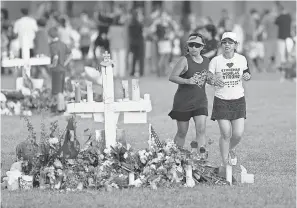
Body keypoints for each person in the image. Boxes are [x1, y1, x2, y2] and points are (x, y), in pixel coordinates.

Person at [207, 32, 251, 176]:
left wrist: (247, 76)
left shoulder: (242, 59)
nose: (227, 45)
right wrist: (213, 80)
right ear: (221, 44)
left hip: (238, 100)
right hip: (221, 100)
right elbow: (209, 78)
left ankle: (229, 150)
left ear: (235, 45)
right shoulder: (216, 61)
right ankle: (225, 163)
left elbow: (246, 73)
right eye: (224, 42)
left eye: (230, 42)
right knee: (226, 133)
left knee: (237, 134)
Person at [168, 33, 210, 154]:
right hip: (183, 102)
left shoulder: (207, 60)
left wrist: (213, 79)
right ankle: (173, 159)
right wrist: (187, 80)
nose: (194, 48)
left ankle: (201, 160)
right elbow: (172, 77)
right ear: (188, 46)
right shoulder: (184, 60)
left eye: (197, 45)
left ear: (202, 47)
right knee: (182, 132)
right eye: (191, 45)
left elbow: (208, 77)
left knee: (201, 130)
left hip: (200, 101)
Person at [48, 27, 72, 114]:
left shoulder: (52, 45)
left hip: (56, 70)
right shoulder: (62, 44)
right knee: (61, 90)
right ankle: (61, 107)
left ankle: (60, 109)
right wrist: (65, 63)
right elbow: (70, 55)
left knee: (58, 91)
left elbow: (55, 57)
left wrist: (52, 65)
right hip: (62, 69)